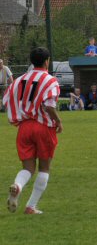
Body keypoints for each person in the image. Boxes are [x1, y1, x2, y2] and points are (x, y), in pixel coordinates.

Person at [3, 47, 62, 214]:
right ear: (47, 61)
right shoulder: (50, 80)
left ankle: (18, 185)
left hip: (24, 127)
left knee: (28, 168)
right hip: (43, 126)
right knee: (44, 167)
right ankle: (31, 206)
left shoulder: (20, 79)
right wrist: (58, 121)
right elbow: (49, 106)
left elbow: (6, 99)